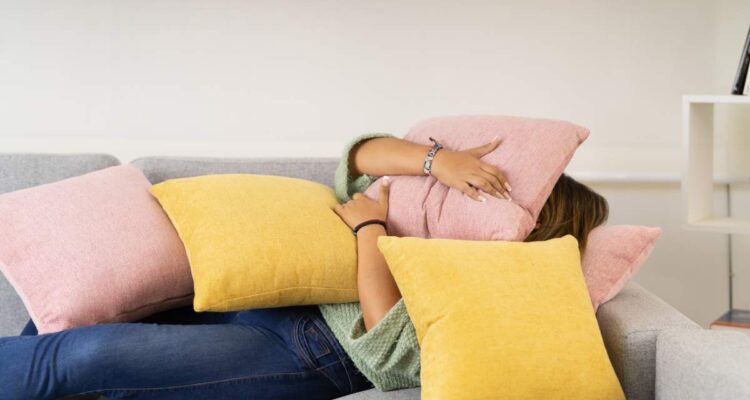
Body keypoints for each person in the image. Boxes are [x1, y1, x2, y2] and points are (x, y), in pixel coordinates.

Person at [0, 134, 608, 400]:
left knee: (87, 357)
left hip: (315, 353)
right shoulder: (434, 205)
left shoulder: (498, 281)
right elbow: (358, 158)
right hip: (268, 294)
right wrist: (436, 160)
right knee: (63, 320)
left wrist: (370, 228)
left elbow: (387, 355)